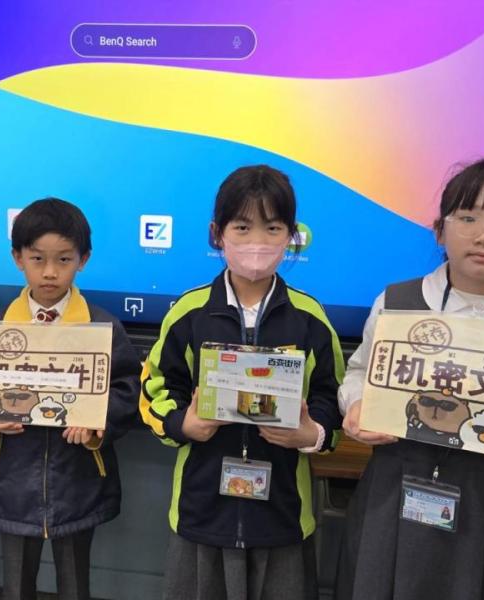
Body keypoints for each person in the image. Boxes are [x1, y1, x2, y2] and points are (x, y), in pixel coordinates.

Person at [337, 158, 484, 600]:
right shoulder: (397, 302)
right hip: (399, 488)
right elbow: (359, 371)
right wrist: (358, 404)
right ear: (440, 230)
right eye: (468, 217)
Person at [140, 165, 344, 600]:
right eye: (242, 227)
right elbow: (156, 388)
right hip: (202, 510)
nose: (257, 242)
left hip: (282, 515)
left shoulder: (310, 319)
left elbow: (332, 397)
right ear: (217, 233)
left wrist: (312, 434)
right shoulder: (188, 313)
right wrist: (182, 424)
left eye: (273, 228)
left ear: (291, 236)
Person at [0, 198, 141, 600]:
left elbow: (127, 388)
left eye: (64, 259)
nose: (50, 272)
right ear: (18, 258)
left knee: (75, 583)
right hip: (14, 479)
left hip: (78, 480)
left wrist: (97, 420)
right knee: (16, 586)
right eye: (37, 259)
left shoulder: (102, 326)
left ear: (83, 260)